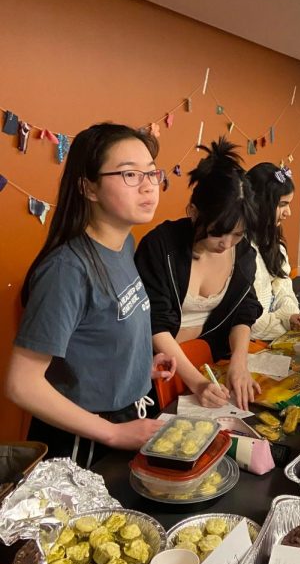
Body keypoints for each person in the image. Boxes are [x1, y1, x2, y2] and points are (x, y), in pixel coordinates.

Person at [5, 123, 176, 466]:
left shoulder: (124, 243)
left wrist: (139, 367)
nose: (148, 186)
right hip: (85, 442)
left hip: (129, 418)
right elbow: (21, 384)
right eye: (129, 174)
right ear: (89, 187)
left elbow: (101, 332)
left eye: (151, 173)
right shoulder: (68, 270)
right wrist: (112, 433)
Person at [135, 139, 262, 410]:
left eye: (237, 234)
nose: (226, 244)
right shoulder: (160, 247)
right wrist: (196, 382)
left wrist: (239, 363)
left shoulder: (243, 255)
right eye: (217, 232)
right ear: (193, 212)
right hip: (157, 369)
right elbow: (153, 323)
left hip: (208, 364)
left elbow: (244, 310)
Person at [246, 162, 300, 341]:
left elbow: (282, 283)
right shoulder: (241, 249)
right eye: (282, 204)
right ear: (260, 203)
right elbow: (252, 323)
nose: (288, 212)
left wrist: (290, 316)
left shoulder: (272, 239)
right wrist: (283, 324)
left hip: (271, 331)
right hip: (253, 338)